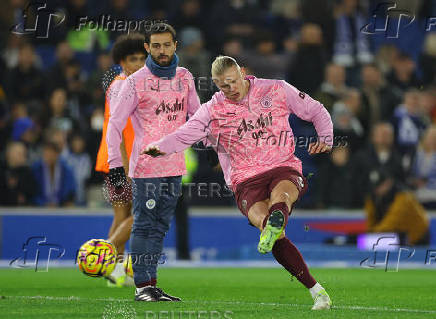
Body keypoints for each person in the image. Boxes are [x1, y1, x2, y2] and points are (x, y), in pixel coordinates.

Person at [144, 56, 333, 310]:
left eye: (233, 82)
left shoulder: (276, 89)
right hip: (245, 178)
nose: (230, 89)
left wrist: (327, 137)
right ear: (215, 84)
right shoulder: (212, 109)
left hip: (282, 165)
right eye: (223, 86)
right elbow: (186, 133)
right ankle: (315, 287)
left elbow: (316, 110)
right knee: (267, 227)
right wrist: (161, 147)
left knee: (283, 194)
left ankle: (277, 219)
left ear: (242, 73)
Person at [106, 23, 201, 301]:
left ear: (175, 46)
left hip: (175, 167)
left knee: (160, 225)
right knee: (144, 224)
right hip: (146, 169)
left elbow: (196, 118)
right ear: (147, 47)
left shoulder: (184, 77)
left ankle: (151, 285)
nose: (161, 51)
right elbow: (115, 124)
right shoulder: (135, 81)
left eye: (166, 45)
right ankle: (141, 288)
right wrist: (114, 165)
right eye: (155, 45)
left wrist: (210, 145)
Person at [95, 33, 147, 287]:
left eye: (141, 58)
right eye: (132, 59)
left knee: (122, 214)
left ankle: (114, 270)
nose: (138, 63)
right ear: (122, 62)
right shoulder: (121, 86)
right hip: (122, 159)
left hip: (114, 158)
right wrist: (125, 166)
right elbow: (118, 129)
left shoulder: (127, 83)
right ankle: (104, 253)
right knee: (141, 213)